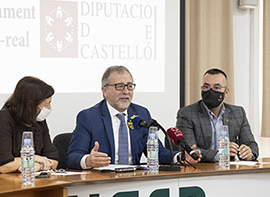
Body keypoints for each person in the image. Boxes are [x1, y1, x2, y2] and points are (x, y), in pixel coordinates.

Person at [67, 65, 201, 169]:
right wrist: (88, 160)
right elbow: (72, 157)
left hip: (134, 180)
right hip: (102, 181)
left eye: (130, 86)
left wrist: (180, 157)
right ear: (104, 91)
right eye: (119, 86)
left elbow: (156, 153)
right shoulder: (88, 117)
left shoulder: (141, 114)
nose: (126, 91)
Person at [176, 68, 259, 162]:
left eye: (216, 87)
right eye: (206, 87)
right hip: (200, 171)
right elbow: (190, 151)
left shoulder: (238, 113)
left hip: (229, 170)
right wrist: (220, 154)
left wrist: (249, 153)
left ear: (226, 92)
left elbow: (252, 145)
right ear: (201, 89)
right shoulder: (187, 113)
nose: (210, 91)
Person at [0, 76, 58, 173]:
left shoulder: (39, 119)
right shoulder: (4, 119)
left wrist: (37, 166)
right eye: (46, 104)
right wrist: (34, 158)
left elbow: (53, 159)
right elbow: (4, 165)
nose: (49, 108)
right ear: (31, 104)